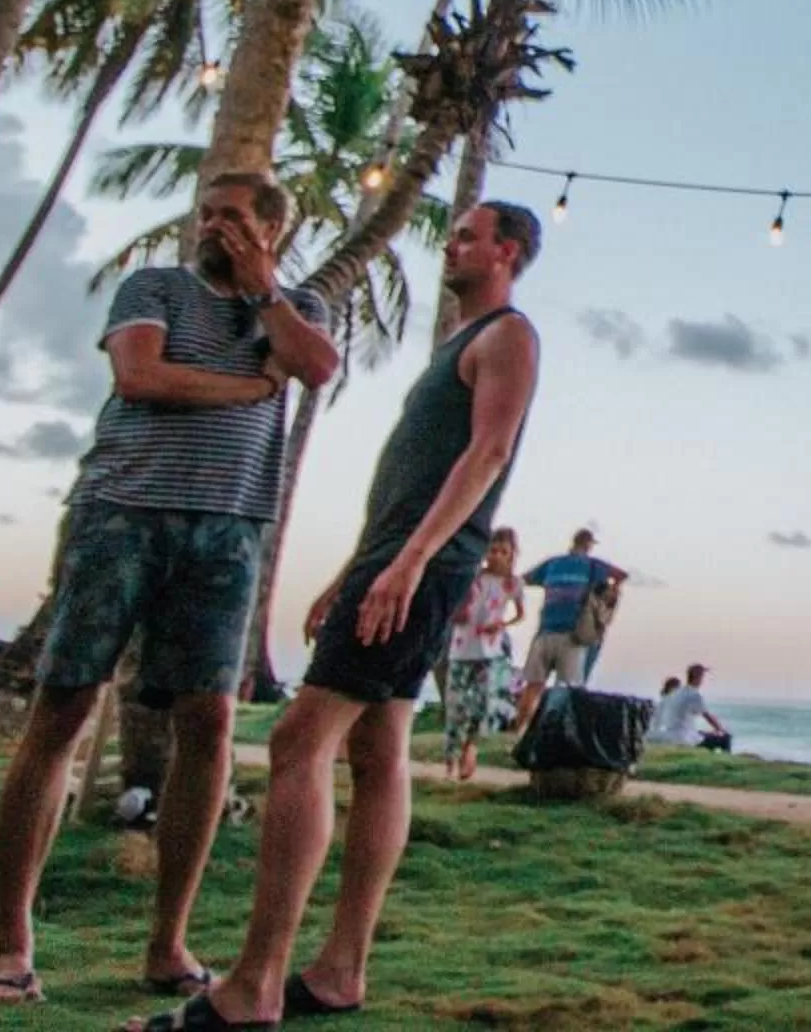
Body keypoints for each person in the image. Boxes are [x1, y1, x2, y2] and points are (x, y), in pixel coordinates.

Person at [136, 201, 544, 1032]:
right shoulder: (460, 345)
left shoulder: (509, 335)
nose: (451, 245)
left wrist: (409, 563)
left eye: (468, 235)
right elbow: (412, 475)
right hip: (398, 562)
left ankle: (253, 987)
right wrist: (355, 569)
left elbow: (488, 455)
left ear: (507, 250)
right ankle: (337, 973)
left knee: (299, 740)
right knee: (378, 748)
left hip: (420, 566)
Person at [0, 171, 338, 1010]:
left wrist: (262, 292)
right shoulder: (154, 286)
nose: (212, 227)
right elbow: (140, 376)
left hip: (229, 531)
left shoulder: (297, 309)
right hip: (120, 513)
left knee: (205, 723)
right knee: (63, 706)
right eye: (206, 215)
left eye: (234, 219)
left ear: (271, 233)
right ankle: (10, 945)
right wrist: (249, 387)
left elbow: (315, 367)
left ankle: (168, 944)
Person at [512, 527, 625, 732]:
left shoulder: (552, 564)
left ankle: (518, 731)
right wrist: (611, 591)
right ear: (589, 545)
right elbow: (622, 575)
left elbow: (522, 580)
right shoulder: (594, 566)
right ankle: (557, 735)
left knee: (533, 686)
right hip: (574, 635)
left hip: (545, 631)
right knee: (569, 691)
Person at [440, 527, 521, 782]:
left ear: (511, 555)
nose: (496, 556)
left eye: (503, 552)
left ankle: (470, 750)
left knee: (483, 705)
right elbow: (451, 607)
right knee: (456, 706)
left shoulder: (513, 583)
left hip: (490, 651)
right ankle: (450, 760)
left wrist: (502, 625)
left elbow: (520, 614)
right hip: (461, 649)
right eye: (492, 550)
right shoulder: (472, 577)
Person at [652, 663, 730, 755]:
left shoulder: (677, 692)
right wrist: (721, 730)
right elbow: (708, 717)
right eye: (702, 676)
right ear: (698, 677)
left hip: (671, 735)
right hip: (684, 739)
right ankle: (727, 759)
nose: (702, 680)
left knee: (703, 735)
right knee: (726, 738)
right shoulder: (694, 695)